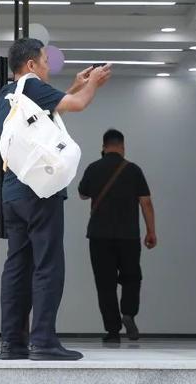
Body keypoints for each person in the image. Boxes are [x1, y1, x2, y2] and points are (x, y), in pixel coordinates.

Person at [0, 38, 111, 361]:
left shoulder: (6, 94)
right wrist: (94, 84)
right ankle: (43, 341)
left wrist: (76, 85)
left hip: (12, 191)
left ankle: (12, 343)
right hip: (40, 190)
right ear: (31, 65)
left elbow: (48, 112)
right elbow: (77, 105)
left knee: (17, 266)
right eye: (45, 61)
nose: (48, 66)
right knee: (48, 265)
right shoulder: (33, 86)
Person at [78, 129, 156, 344]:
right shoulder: (133, 170)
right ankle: (129, 312)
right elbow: (146, 202)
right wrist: (151, 231)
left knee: (105, 283)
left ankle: (112, 331)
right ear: (122, 146)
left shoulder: (93, 168)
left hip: (99, 236)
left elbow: (83, 194)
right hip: (128, 235)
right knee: (132, 276)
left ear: (103, 147)